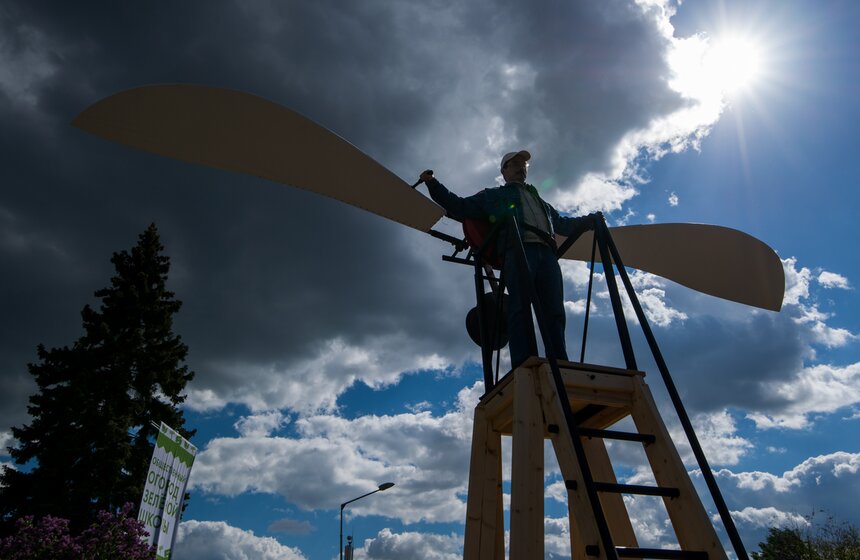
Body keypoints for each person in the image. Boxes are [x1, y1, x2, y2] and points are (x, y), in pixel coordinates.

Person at [419, 150, 600, 368]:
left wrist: (590, 221)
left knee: (554, 311)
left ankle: (561, 363)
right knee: (520, 306)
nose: (520, 167)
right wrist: (433, 183)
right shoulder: (493, 195)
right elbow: (459, 206)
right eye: (514, 164)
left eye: (523, 164)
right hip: (518, 250)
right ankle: (526, 362)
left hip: (547, 253)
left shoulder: (541, 202)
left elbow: (562, 225)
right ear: (504, 171)